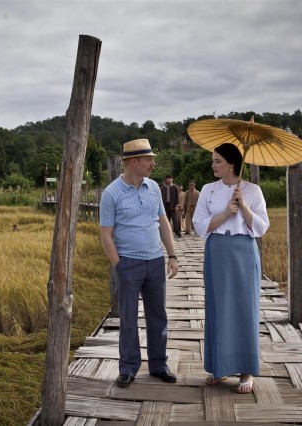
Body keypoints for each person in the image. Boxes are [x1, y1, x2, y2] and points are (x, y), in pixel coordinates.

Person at [100, 138, 179, 388]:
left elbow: (163, 223)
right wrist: (119, 265)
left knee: (158, 316)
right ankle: (128, 368)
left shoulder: (154, 187)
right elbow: (105, 234)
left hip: (155, 261)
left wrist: (172, 255)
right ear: (133, 162)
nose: (153, 164)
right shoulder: (111, 193)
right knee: (129, 318)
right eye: (149, 159)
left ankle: (158, 364)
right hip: (129, 264)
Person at [192, 143, 269, 394]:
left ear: (232, 164)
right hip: (217, 251)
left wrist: (244, 206)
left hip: (244, 251)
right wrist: (226, 212)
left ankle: (246, 370)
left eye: (217, 161)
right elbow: (200, 225)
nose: (212, 165)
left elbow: (260, 228)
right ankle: (219, 367)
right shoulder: (208, 190)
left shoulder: (253, 190)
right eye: (213, 161)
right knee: (218, 307)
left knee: (245, 307)